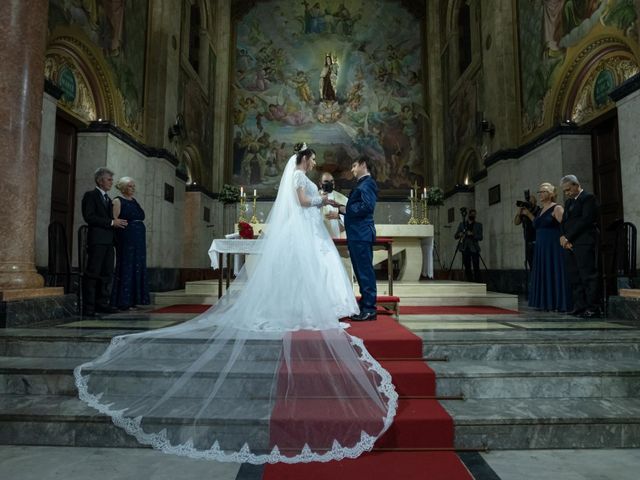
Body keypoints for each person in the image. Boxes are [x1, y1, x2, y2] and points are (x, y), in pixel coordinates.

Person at [74, 143, 397, 464]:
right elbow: (301, 201)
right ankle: (310, 306)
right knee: (313, 269)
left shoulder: (314, 178)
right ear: (304, 159)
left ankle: (322, 304)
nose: (313, 163)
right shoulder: (299, 179)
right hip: (308, 227)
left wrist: (324, 202)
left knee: (318, 268)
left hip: (314, 229)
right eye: (312, 158)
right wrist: (321, 199)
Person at [336, 157, 379, 321]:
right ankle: (365, 305)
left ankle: (370, 309)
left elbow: (367, 207)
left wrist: (345, 209)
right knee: (361, 272)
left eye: (354, 166)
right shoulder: (363, 184)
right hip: (357, 234)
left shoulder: (368, 183)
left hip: (361, 234)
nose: (352, 170)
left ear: (363, 165)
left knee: (364, 271)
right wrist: (342, 208)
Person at [81, 167, 127, 316]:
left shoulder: (108, 199)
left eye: (112, 180)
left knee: (107, 273)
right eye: (109, 180)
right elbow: (89, 217)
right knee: (93, 273)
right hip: (97, 240)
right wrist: (112, 223)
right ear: (100, 181)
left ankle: (102, 304)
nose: (111, 183)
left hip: (108, 241)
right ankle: (89, 307)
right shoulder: (90, 196)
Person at [526, 183, 572, 312]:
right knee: (544, 272)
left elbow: (565, 225)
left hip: (553, 247)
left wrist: (566, 239)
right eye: (539, 191)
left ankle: (559, 302)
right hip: (541, 247)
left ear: (551, 194)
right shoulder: (540, 210)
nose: (540, 193)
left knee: (554, 271)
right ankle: (546, 302)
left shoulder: (557, 208)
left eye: (544, 191)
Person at [560, 174, 601, 317]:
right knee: (575, 277)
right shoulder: (569, 203)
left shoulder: (588, 198)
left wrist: (568, 237)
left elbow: (585, 220)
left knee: (587, 276)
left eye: (568, 190)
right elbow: (564, 222)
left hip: (584, 242)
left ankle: (593, 308)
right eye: (564, 191)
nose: (567, 193)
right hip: (570, 244)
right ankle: (579, 306)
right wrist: (563, 237)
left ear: (576, 185)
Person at [110, 177, 150, 311]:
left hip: (138, 240)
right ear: (122, 188)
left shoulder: (134, 201)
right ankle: (123, 301)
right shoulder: (117, 201)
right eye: (130, 186)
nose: (133, 189)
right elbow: (115, 221)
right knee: (127, 266)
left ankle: (134, 300)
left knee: (137, 266)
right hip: (126, 238)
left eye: (133, 186)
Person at [454, 208, 483, 282]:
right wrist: (459, 234)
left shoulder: (479, 225)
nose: (473, 215)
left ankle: (477, 282)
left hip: (474, 248)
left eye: (474, 214)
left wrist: (473, 234)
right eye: (471, 214)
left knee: (476, 266)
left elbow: (480, 237)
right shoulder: (462, 224)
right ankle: (470, 282)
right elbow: (455, 236)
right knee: (467, 266)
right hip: (465, 248)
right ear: (468, 214)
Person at [514, 193, 541, 271]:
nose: (529, 203)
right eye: (528, 201)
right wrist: (519, 214)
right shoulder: (525, 211)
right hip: (528, 243)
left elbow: (538, 223)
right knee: (532, 266)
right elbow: (516, 222)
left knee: (539, 266)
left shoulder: (539, 210)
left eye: (531, 201)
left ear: (535, 202)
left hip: (537, 242)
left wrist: (528, 214)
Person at [319, 171, 348, 238]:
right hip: (320, 236)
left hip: (338, 236)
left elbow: (352, 218)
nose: (329, 184)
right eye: (326, 182)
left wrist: (339, 216)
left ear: (334, 184)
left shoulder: (343, 199)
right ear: (320, 184)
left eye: (331, 181)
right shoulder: (315, 197)